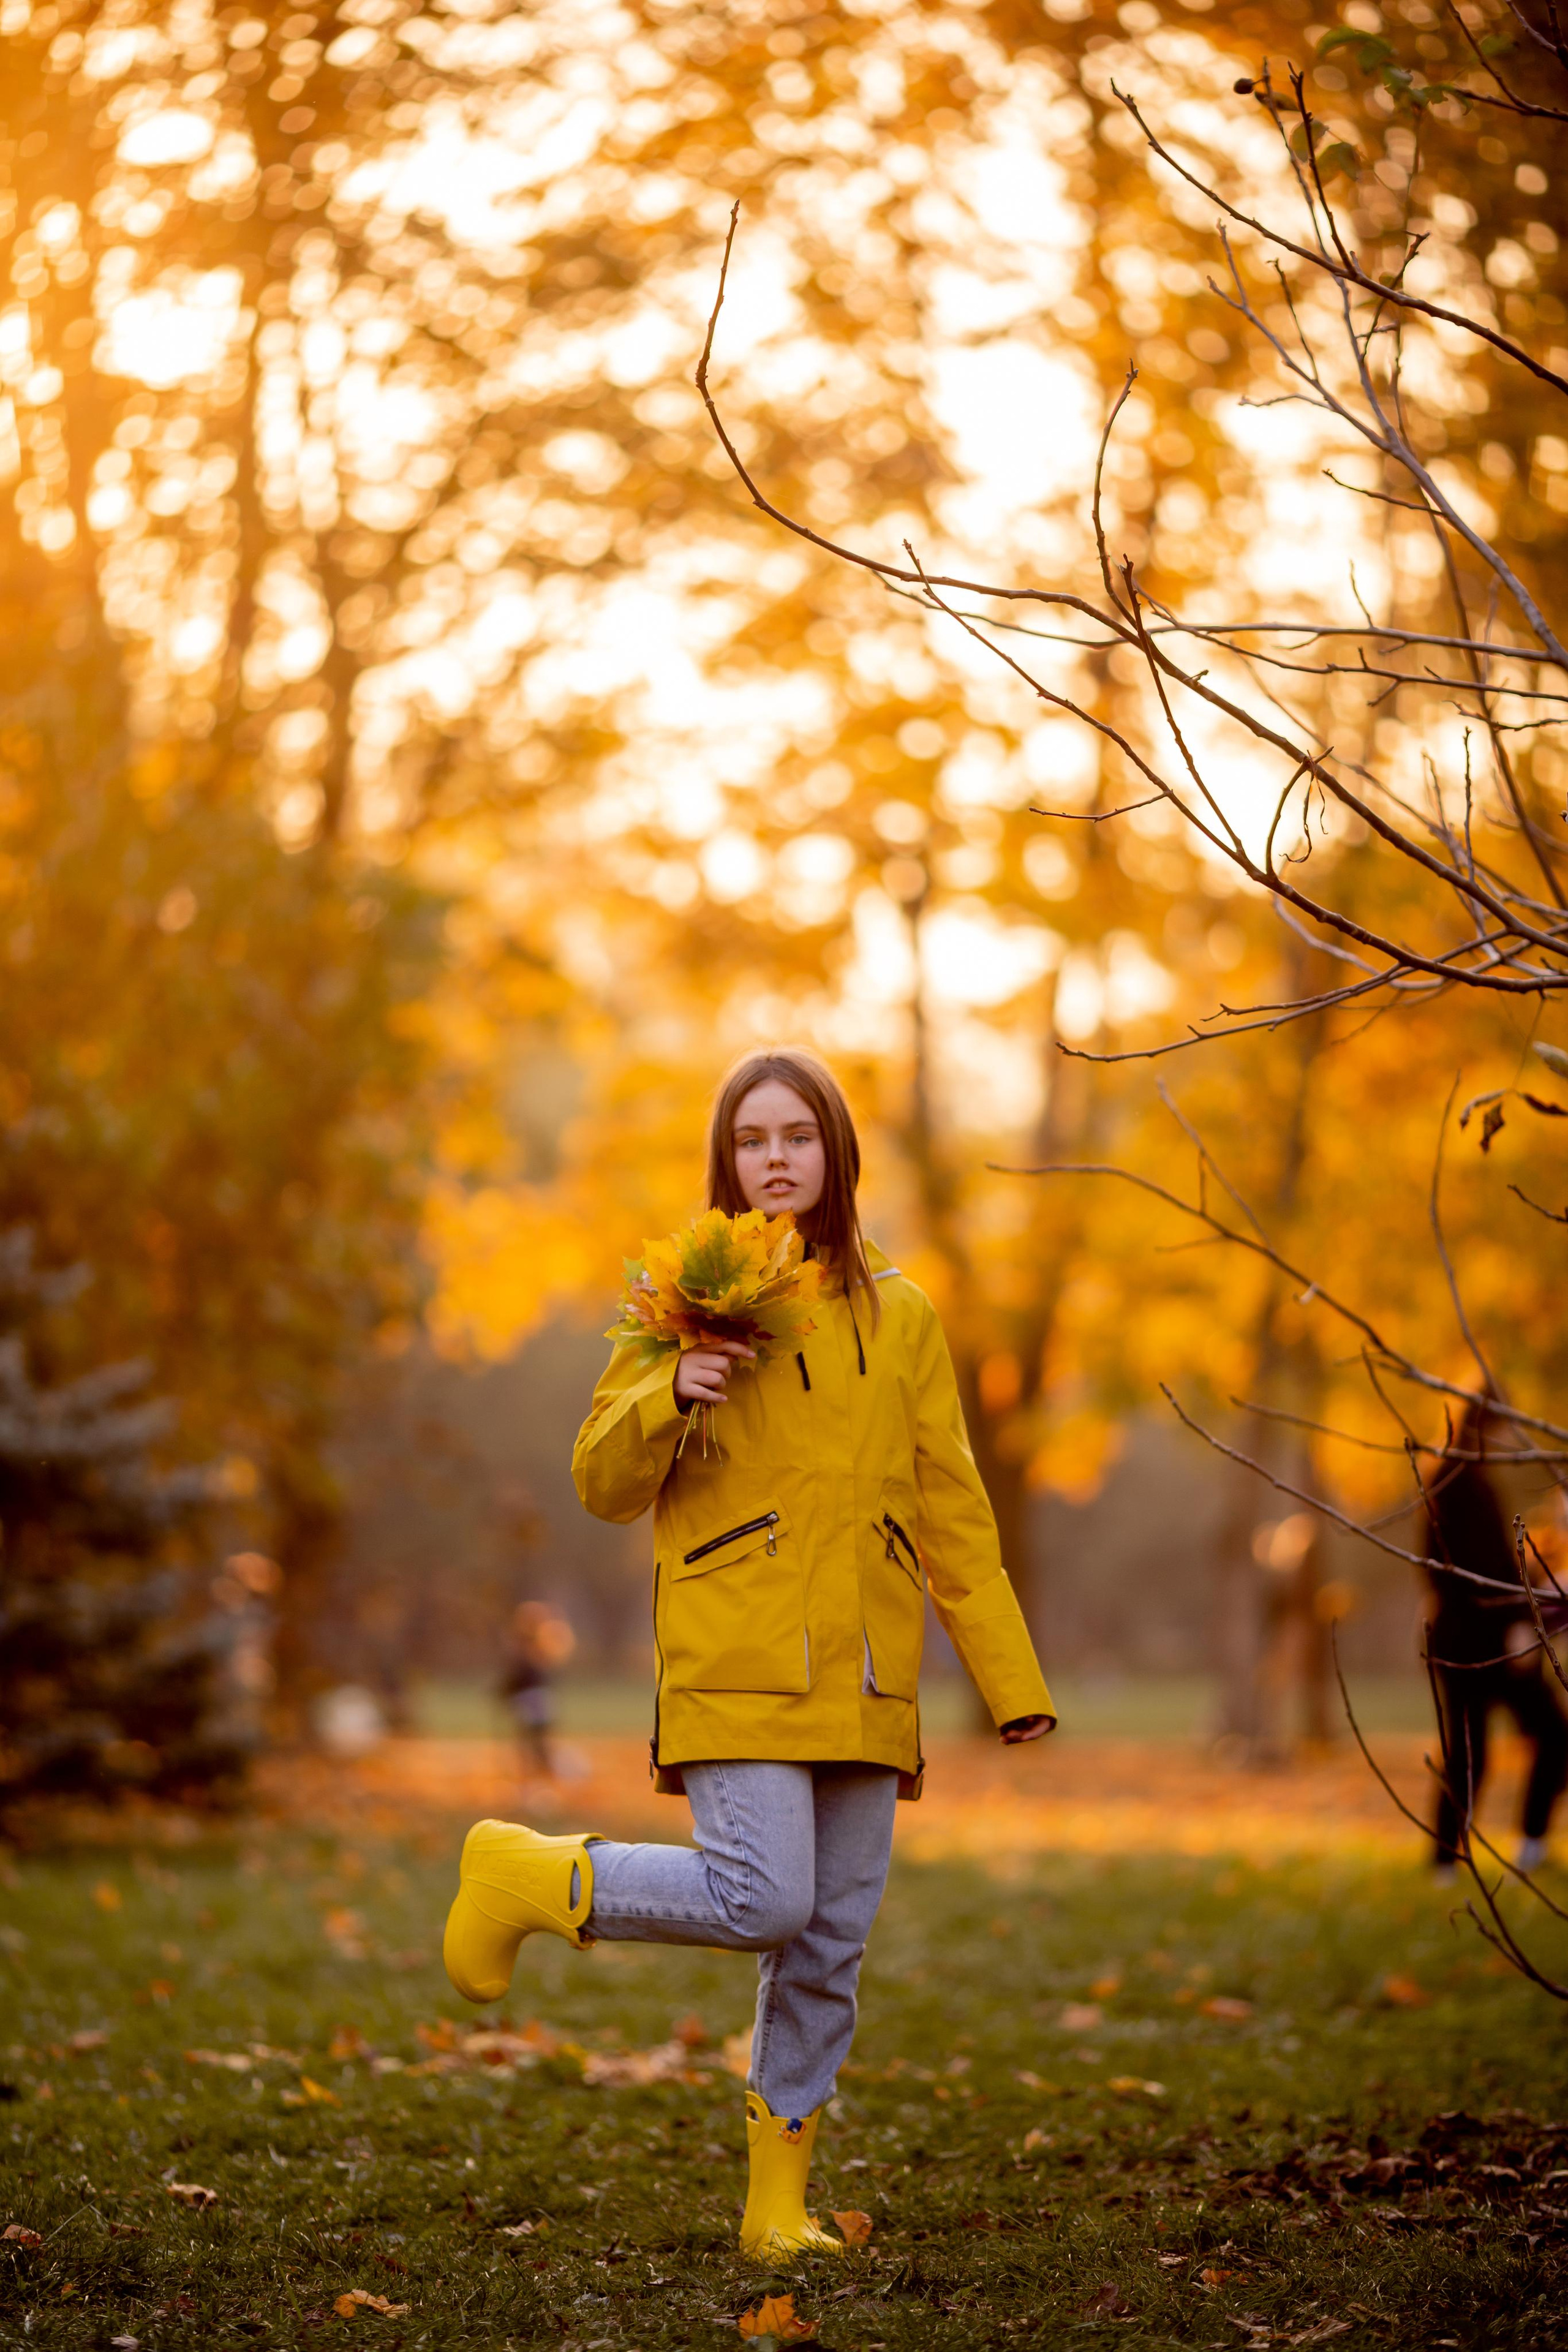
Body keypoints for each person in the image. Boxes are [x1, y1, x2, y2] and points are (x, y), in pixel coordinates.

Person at [441, 1047, 1055, 2256]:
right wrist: (674, 1388)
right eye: (751, 1140)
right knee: (762, 1899)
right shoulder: (685, 1297)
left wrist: (1009, 1681)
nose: (774, 1159)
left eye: (796, 1137)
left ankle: (777, 2210)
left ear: (833, 1152)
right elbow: (598, 1480)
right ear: (726, 1159)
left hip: (868, 1678)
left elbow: (951, 1509)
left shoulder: (907, 1314)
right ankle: (534, 1877)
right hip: (736, 1655)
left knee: (829, 1944)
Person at [1425, 1396, 1568, 1877]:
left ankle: (1498, 1849)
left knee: (1509, 1744)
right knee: (1474, 1751)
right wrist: (1516, 1622)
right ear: (1486, 1425)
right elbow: (1469, 1572)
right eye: (1504, 1426)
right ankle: (1451, 1858)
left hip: (1476, 1638)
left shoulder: (1465, 1482)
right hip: (1478, 1643)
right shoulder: (1459, 1485)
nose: (1509, 1439)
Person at [499, 1600, 576, 1783]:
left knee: (535, 1744)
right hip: (536, 1700)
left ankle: (546, 1776)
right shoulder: (537, 1645)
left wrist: (506, 1692)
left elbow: (520, 1678)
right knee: (536, 1743)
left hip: (534, 1700)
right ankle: (542, 1775)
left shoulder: (533, 1647)